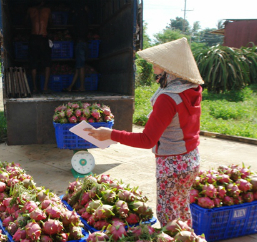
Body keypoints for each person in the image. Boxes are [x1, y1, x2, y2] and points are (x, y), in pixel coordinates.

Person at [84, 38, 203, 226]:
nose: (154, 71)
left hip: (173, 165)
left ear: (169, 69)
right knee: (181, 209)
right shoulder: (192, 89)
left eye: (157, 66)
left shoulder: (168, 98)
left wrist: (110, 134)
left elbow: (147, 140)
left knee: (168, 217)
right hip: (191, 161)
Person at [27, 0, 52, 93]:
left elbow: (26, 22)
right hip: (43, 37)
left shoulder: (30, 10)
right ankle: (45, 87)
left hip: (33, 38)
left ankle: (34, 87)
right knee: (47, 63)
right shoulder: (47, 10)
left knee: (33, 63)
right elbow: (51, 23)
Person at [66, 1, 89, 92]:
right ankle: (70, 87)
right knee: (78, 66)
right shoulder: (86, 18)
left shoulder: (78, 19)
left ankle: (82, 87)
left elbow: (74, 30)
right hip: (84, 43)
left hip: (80, 43)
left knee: (80, 66)